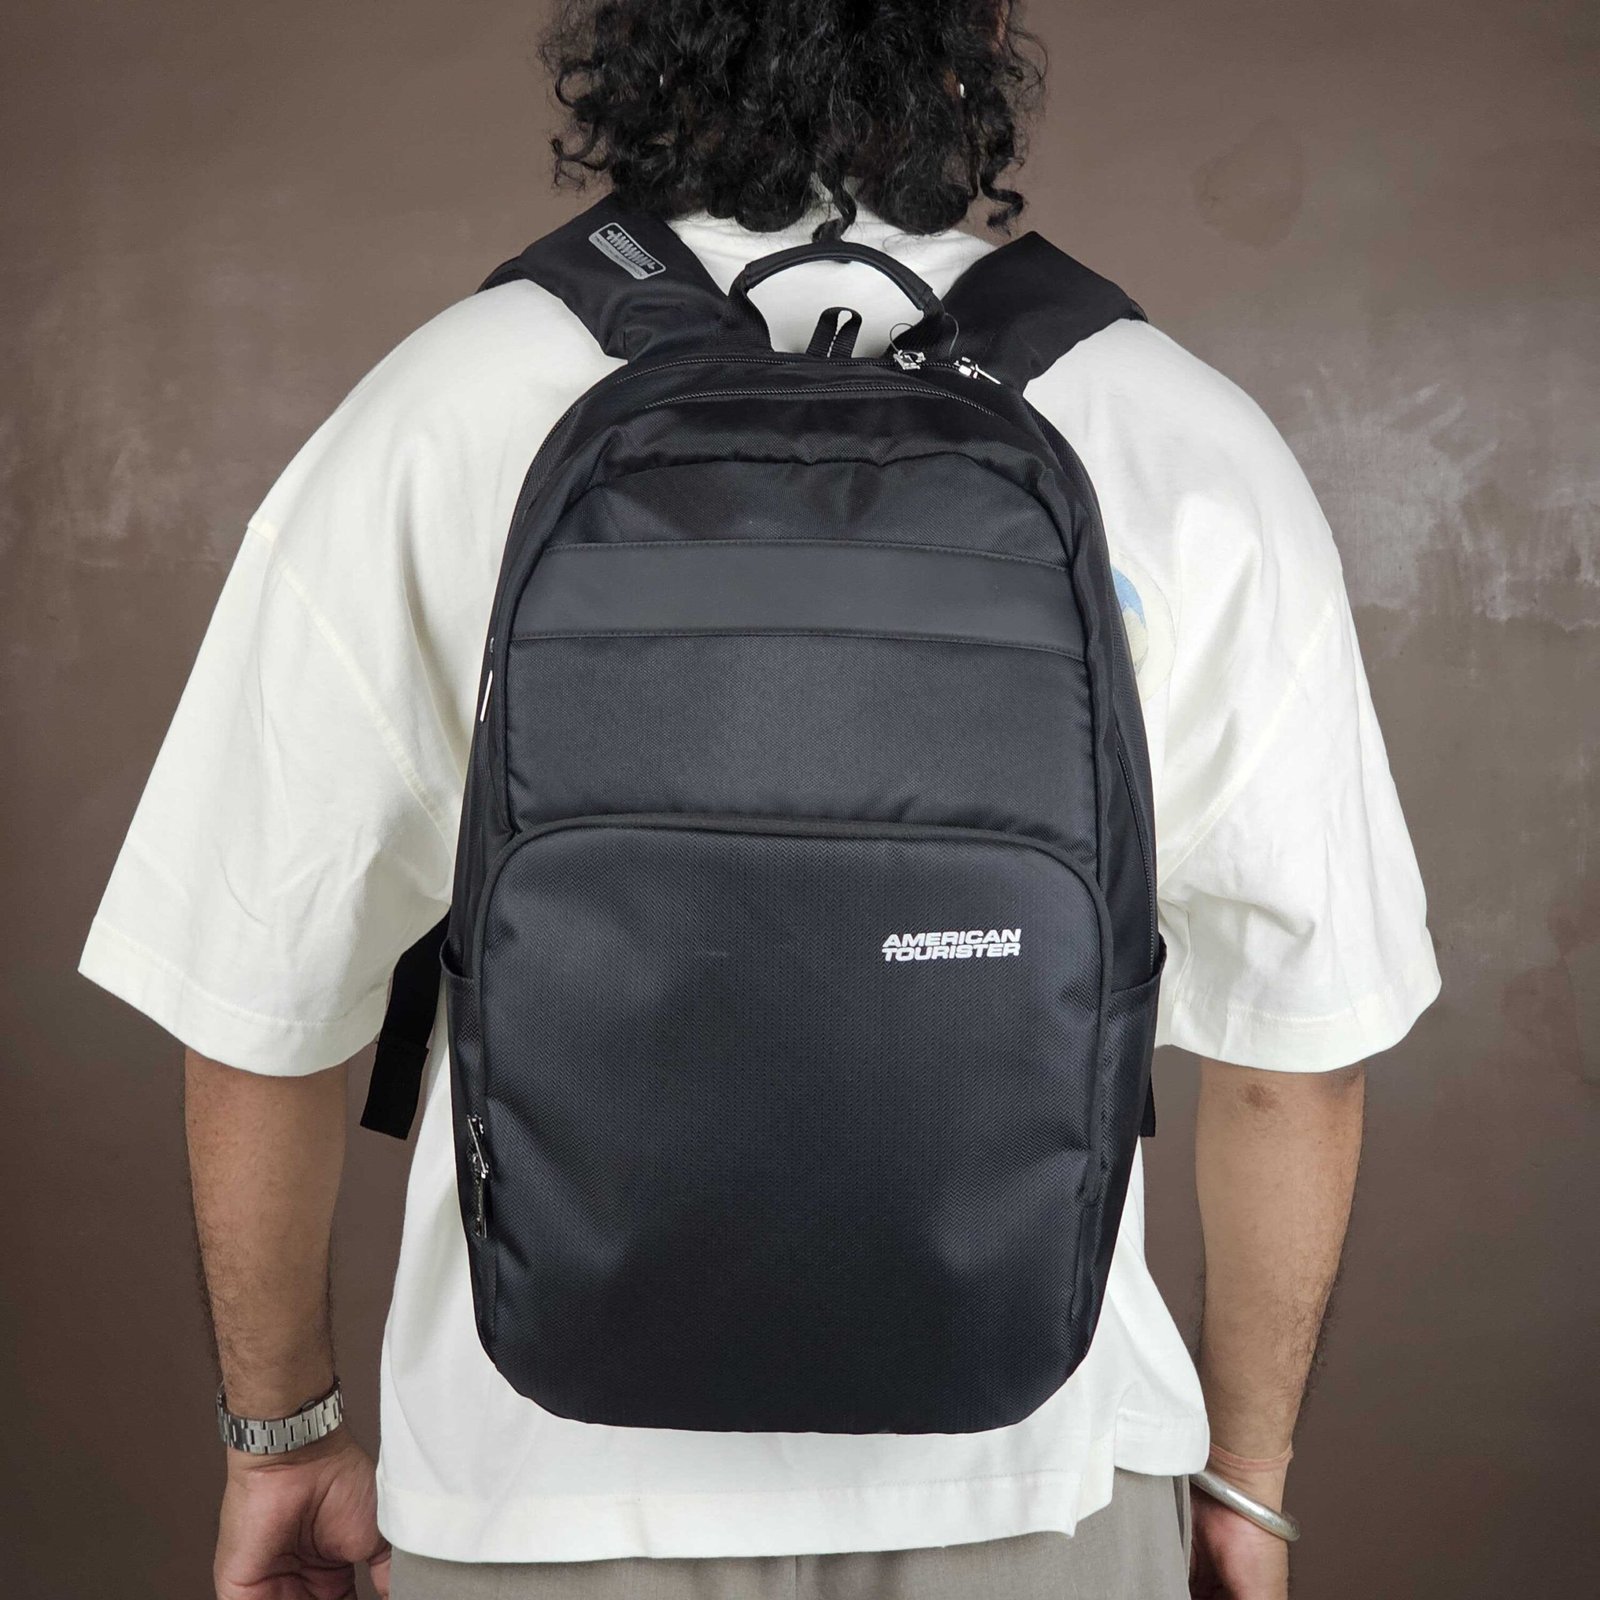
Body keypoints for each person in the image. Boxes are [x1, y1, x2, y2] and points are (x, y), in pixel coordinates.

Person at [79, 3, 1441, 1597]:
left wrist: (284, 1436)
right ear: (967, 58)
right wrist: (1247, 1486)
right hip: (1044, 1486)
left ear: (640, 50)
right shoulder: (1180, 436)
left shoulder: (439, 407)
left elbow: (256, 1001)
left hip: (538, 1505)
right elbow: (1294, 1063)